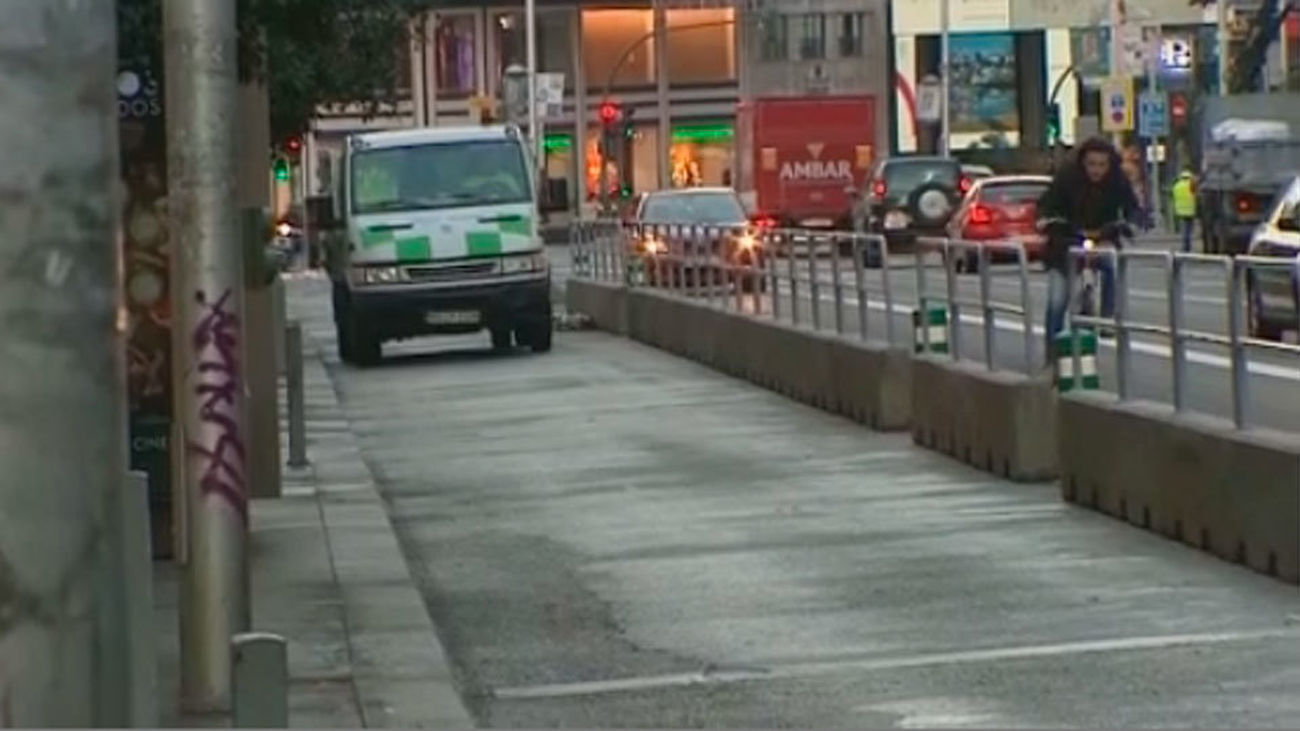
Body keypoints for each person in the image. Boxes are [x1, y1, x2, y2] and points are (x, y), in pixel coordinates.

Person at [1036, 136, 1143, 360]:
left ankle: (1107, 318)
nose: (1097, 170)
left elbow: (1132, 207)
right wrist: (1046, 220)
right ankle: (1051, 353)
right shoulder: (1066, 180)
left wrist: (1131, 223)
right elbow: (1046, 205)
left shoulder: (1117, 181)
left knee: (1111, 264)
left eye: (1102, 165)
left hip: (1102, 238)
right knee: (1057, 299)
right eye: (1092, 164)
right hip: (1064, 246)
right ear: (1082, 163)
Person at [1171, 169, 1198, 252]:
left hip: (1180, 210)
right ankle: (1186, 246)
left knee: (1184, 229)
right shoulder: (1191, 185)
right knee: (1188, 230)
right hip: (1190, 210)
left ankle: (1185, 245)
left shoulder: (1176, 186)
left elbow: (1174, 197)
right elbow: (1195, 195)